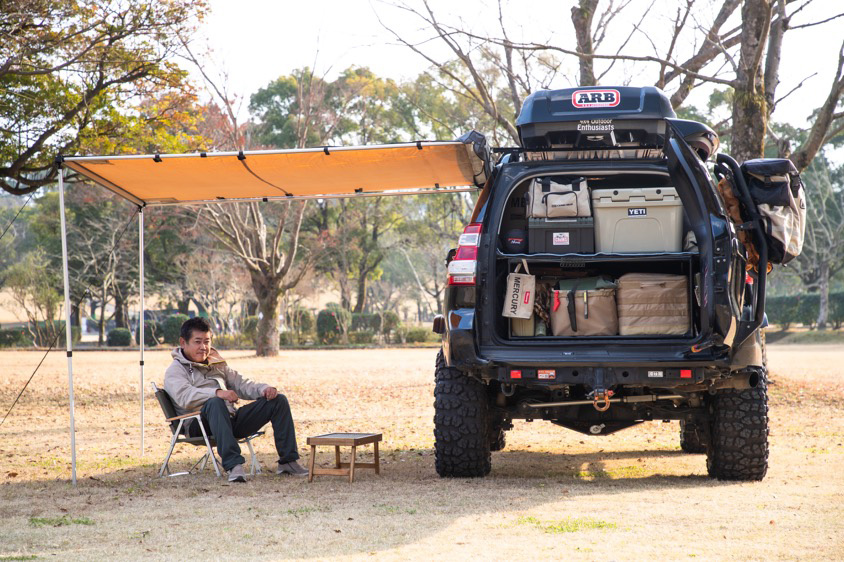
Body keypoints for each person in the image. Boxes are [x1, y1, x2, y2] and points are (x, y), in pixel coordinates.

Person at [164, 317, 308, 482]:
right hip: (197, 424)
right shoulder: (175, 370)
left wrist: (264, 389)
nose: (203, 347)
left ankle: (288, 461)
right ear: (183, 342)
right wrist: (217, 393)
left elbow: (241, 384)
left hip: (229, 420)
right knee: (215, 403)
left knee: (278, 401)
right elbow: (185, 397)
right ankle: (234, 465)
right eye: (197, 342)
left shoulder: (216, 364)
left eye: (207, 341)